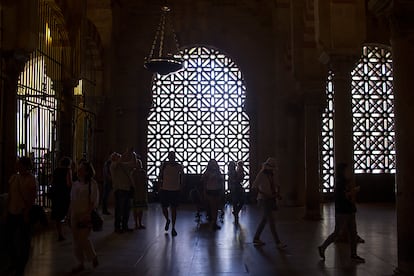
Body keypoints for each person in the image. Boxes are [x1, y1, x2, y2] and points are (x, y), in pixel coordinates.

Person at [318, 162, 365, 263]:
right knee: (337, 232)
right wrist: (353, 191)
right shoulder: (340, 183)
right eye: (347, 170)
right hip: (343, 211)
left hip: (349, 210)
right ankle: (322, 247)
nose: (350, 172)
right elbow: (343, 196)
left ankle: (353, 254)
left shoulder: (345, 182)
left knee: (353, 233)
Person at [6, 156, 37, 276]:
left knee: (24, 241)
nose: (16, 166)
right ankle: (15, 261)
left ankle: (20, 266)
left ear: (25, 166)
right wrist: (6, 211)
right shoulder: (13, 178)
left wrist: (27, 212)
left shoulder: (31, 179)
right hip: (12, 211)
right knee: (8, 239)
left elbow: (32, 197)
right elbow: (10, 195)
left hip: (24, 212)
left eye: (19, 164)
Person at [69, 160, 99, 273]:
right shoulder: (76, 184)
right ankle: (79, 263)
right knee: (76, 240)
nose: (78, 171)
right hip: (75, 214)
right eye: (78, 169)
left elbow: (93, 202)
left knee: (84, 238)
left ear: (87, 172)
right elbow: (72, 200)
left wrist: (87, 214)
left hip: (86, 214)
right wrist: (69, 214)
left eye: (81, 169)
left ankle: (92, 256)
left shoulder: (92, 184)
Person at [252, 157, 286, 249]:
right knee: (271, 220)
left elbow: (277, 185)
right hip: (263, 199)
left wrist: (277, 194)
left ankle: (256, 238)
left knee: (265, 219)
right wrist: (264, 194)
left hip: (271, 199)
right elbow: (254, 186)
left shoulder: (273, 174)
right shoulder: (261, 174)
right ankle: (277, 242)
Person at [158, 151, 184, 236]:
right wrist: (159, 186)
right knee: (164, 207)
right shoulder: (164, 165)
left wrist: (181, 185)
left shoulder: (179, 166)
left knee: (173, 209)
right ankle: (168, 220)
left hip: (174, 189)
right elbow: (160, 175)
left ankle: (173, 227)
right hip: (165, 189)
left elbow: (183, 176)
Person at [110, 151, 135, 233]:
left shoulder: (123, 165)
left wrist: (133, 154)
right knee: (119, 210)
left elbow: (133, 164)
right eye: (117, 155)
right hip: (119, 189)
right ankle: (117, 227)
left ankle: (125, 226)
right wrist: (123, 156)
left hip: (127, 189)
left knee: (126, 210)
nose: (119, 156)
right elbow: (117, 163)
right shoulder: (113, 165)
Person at [50, 156, 72, 241]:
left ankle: (60, 234)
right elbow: (69, 183)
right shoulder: (68, 170)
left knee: (57, 216)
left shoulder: (56, 170)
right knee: (67, 212)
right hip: (64, 193)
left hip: (56, 194)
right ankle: (72, 230)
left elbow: (52, 181)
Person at [201, 159, 224, 230]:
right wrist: (204, 192)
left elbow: (221, 181)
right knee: (212, 207)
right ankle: (213, 222)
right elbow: (203, 182)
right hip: (210, 190)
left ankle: (214, 222)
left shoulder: (218, 172)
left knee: (216, 207)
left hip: (217, 190)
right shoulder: (207, 173)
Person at [130, 155, 148, 229]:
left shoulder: (143, 172)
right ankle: (136, 223)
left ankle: (139, 223)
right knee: (136, 209)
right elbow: (132, 182)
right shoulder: (133, 172)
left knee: (140, 209)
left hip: (141, 192)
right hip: (136, 192)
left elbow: (145, 182)